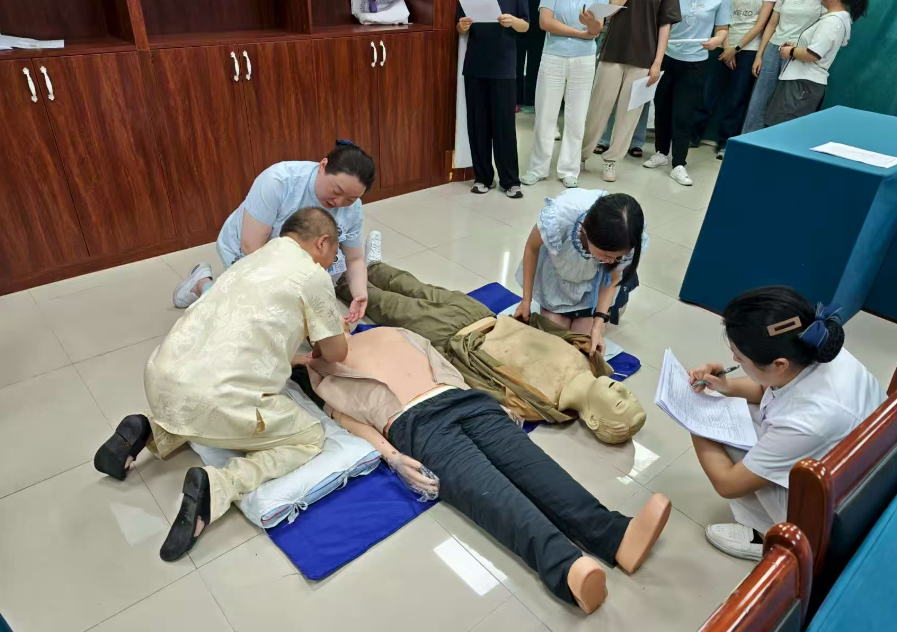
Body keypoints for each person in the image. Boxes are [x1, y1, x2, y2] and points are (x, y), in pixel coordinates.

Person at [304, 325, 671, 613]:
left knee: (536, 468)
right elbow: (350, 420)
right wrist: (392, 456)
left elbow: (445, 367)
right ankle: (566, 567)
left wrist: (494, 401)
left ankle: (615, 535)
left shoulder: (390, 332)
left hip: (464, 400)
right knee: (491, 493)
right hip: (414, 424)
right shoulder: (320, 372)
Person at [95, 208, 350, 562]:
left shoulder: (251, 259)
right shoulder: (312, 275)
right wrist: (334, 330)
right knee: (310, 437)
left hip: (161, 377)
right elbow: (336, 353)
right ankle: (221, 486)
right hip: (215, 400)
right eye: (333, 254)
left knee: (201, 394)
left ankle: (150, 429)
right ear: (322, 242)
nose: (332, 264)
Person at [687, 287, 885, 561]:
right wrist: (726, 386)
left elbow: (728, 484)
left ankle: (768, 537)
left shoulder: (808, 419)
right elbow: (771, 389)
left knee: (722, 429)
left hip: (841, 512)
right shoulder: (814, 345)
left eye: (739, 357)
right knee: (730, 408)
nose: (734, 360)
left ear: (779, 363)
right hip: (864, 468)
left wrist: (695, 419)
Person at [172, 142, 376, 322]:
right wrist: (290, 290)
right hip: (252, 252)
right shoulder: (279, 181)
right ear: (323, 166)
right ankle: (202, 284)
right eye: (337, 191)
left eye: (350, 199)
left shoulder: (353, 209)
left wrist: (360, 294)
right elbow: (251, 246)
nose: (339, 202)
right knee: (237, 317)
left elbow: (354, 259)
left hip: (300, 264)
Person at [515, 189, 647, 358]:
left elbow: (611, 280)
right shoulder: (560, 217)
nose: (611, 261)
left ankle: (616, 307)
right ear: (585, 231)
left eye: (618, 257)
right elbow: (531, 248)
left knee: (582, 348)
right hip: (559, 279)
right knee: (553, 342)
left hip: (593, 287)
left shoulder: (629, 236)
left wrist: (597, 325)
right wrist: (526, 301)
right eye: (606, 255)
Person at [581, 0, 682, 184]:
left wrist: (657, 62)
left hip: (644, 57)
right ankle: (581, 155)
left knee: (629, 115)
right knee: (598, 108)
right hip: (612, 51)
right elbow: (608, 11)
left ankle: (611, 161)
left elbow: (665, 25)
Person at [643, 0, 730, 186]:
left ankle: (679, 163)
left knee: (683, 114)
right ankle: (661, 153)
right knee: (662, 108)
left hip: (695, 62)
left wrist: (717, 40)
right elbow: (662, 22)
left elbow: (722, 29)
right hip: (667, 56)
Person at [520, 1, 604, 189]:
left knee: (577, 118)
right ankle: (537, 169)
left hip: (584, 59)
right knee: (545, 115)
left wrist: (590, 24)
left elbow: (596, 29)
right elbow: (545, 22)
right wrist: (580, 33)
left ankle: (569, 170)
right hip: (553, 56)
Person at [457, 2, 530, 199]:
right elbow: (460, 26)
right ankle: (483, 178)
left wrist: (513, 21)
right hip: (475, 66)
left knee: (504, 126)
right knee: (477, 125)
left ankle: (510, 181)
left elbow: (525, 26)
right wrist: (462, 26)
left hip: (504, 67)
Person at [692, 0, 774, 159]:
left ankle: (725, 143)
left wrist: (736, 49)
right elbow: (722, 22)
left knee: (735, 99)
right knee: (707, 94)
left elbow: (760, 26)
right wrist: (727, 48)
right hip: (723, 45)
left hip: (749, 49)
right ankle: (693, 135)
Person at [764, 0, 861, 126]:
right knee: (780, 124)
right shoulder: (835, 19)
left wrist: (791, 51)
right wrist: (796, 48)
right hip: (802, 81)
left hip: (803, 83)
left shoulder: (832, 22)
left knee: (783, 126)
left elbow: (813, 54)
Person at [741, 0, 826, 133]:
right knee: (759, 99)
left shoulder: (823, 3)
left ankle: (774, 141)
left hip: (797, 52)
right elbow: (772, 24)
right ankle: (747, 139)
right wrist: (759, 55)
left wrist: (798, 51)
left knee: (784, 103)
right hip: (773, 48)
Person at [516, 0, 546, 111]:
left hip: (539, 25)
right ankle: (516, 98)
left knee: (535, 63)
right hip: (518, 22)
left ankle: (531, 97)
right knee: (517, 63)